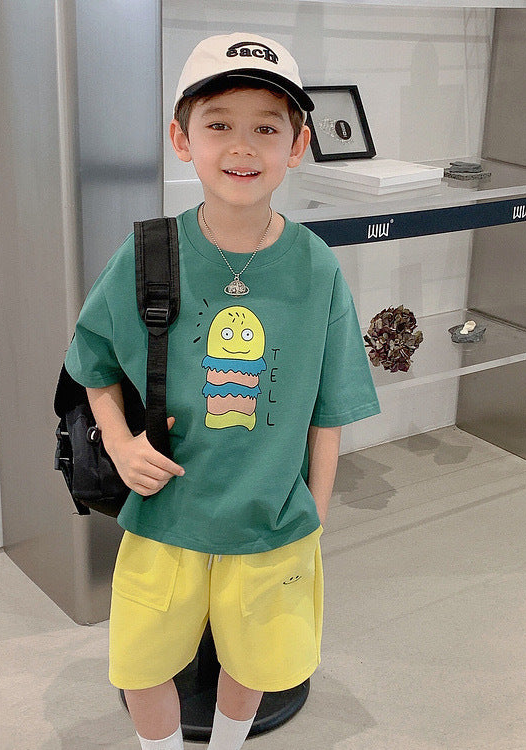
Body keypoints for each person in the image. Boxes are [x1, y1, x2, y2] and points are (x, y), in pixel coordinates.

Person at [64, 32, 380, 750]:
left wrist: (315, 514)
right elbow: (92, 362)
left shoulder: (316, 268)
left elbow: (329, 409)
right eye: (218, 125)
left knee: (253, 664)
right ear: (182, 139)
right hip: (164, 515)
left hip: (271, 523)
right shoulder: (150, 253)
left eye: (267, 128)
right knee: (142, 666)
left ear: (298, 146)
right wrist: (120, 444)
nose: (242, 146)